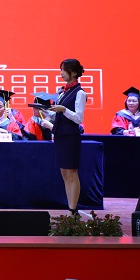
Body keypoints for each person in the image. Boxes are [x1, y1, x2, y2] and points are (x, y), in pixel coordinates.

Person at [50, 58, 87, 217]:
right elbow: (58, 115)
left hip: (71, 137)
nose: (61, 73)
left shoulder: (80, 93)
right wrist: (46, 112)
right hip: (60, 135)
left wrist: (64, 109)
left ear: (73, 72)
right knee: (64, 173)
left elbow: (78, 118)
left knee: (72, 173)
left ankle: (73, 209)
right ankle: (71, 207)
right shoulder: (63, 91)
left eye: (64, 70)